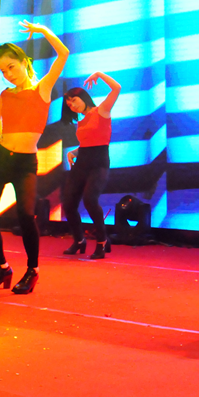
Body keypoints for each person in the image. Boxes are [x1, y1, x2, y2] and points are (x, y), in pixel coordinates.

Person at [0, 21, 69, 294]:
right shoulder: (5, 95)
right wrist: (1, 135)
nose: (8, 74)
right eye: (2, 71)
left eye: (11, 67)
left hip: (25, 163)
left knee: (26, 215)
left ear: (24, 62)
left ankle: (32, 270)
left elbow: (63, 54)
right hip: (0, 158)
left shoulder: (41, 89)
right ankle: (2, 268)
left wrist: (43, 31)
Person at [61, 71, 121, 260]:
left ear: (83, 97)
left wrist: (99, 74)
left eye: (74, 100)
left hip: (99, 164)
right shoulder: (81, 121)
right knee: (68, 203)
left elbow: (117, 88)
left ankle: (102, 241)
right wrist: (74, 152)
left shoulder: (101, 110)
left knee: (90, 199)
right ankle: (79, 240)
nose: (72, 105)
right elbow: (88, 143)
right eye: (69, 104)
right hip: (82, 163)